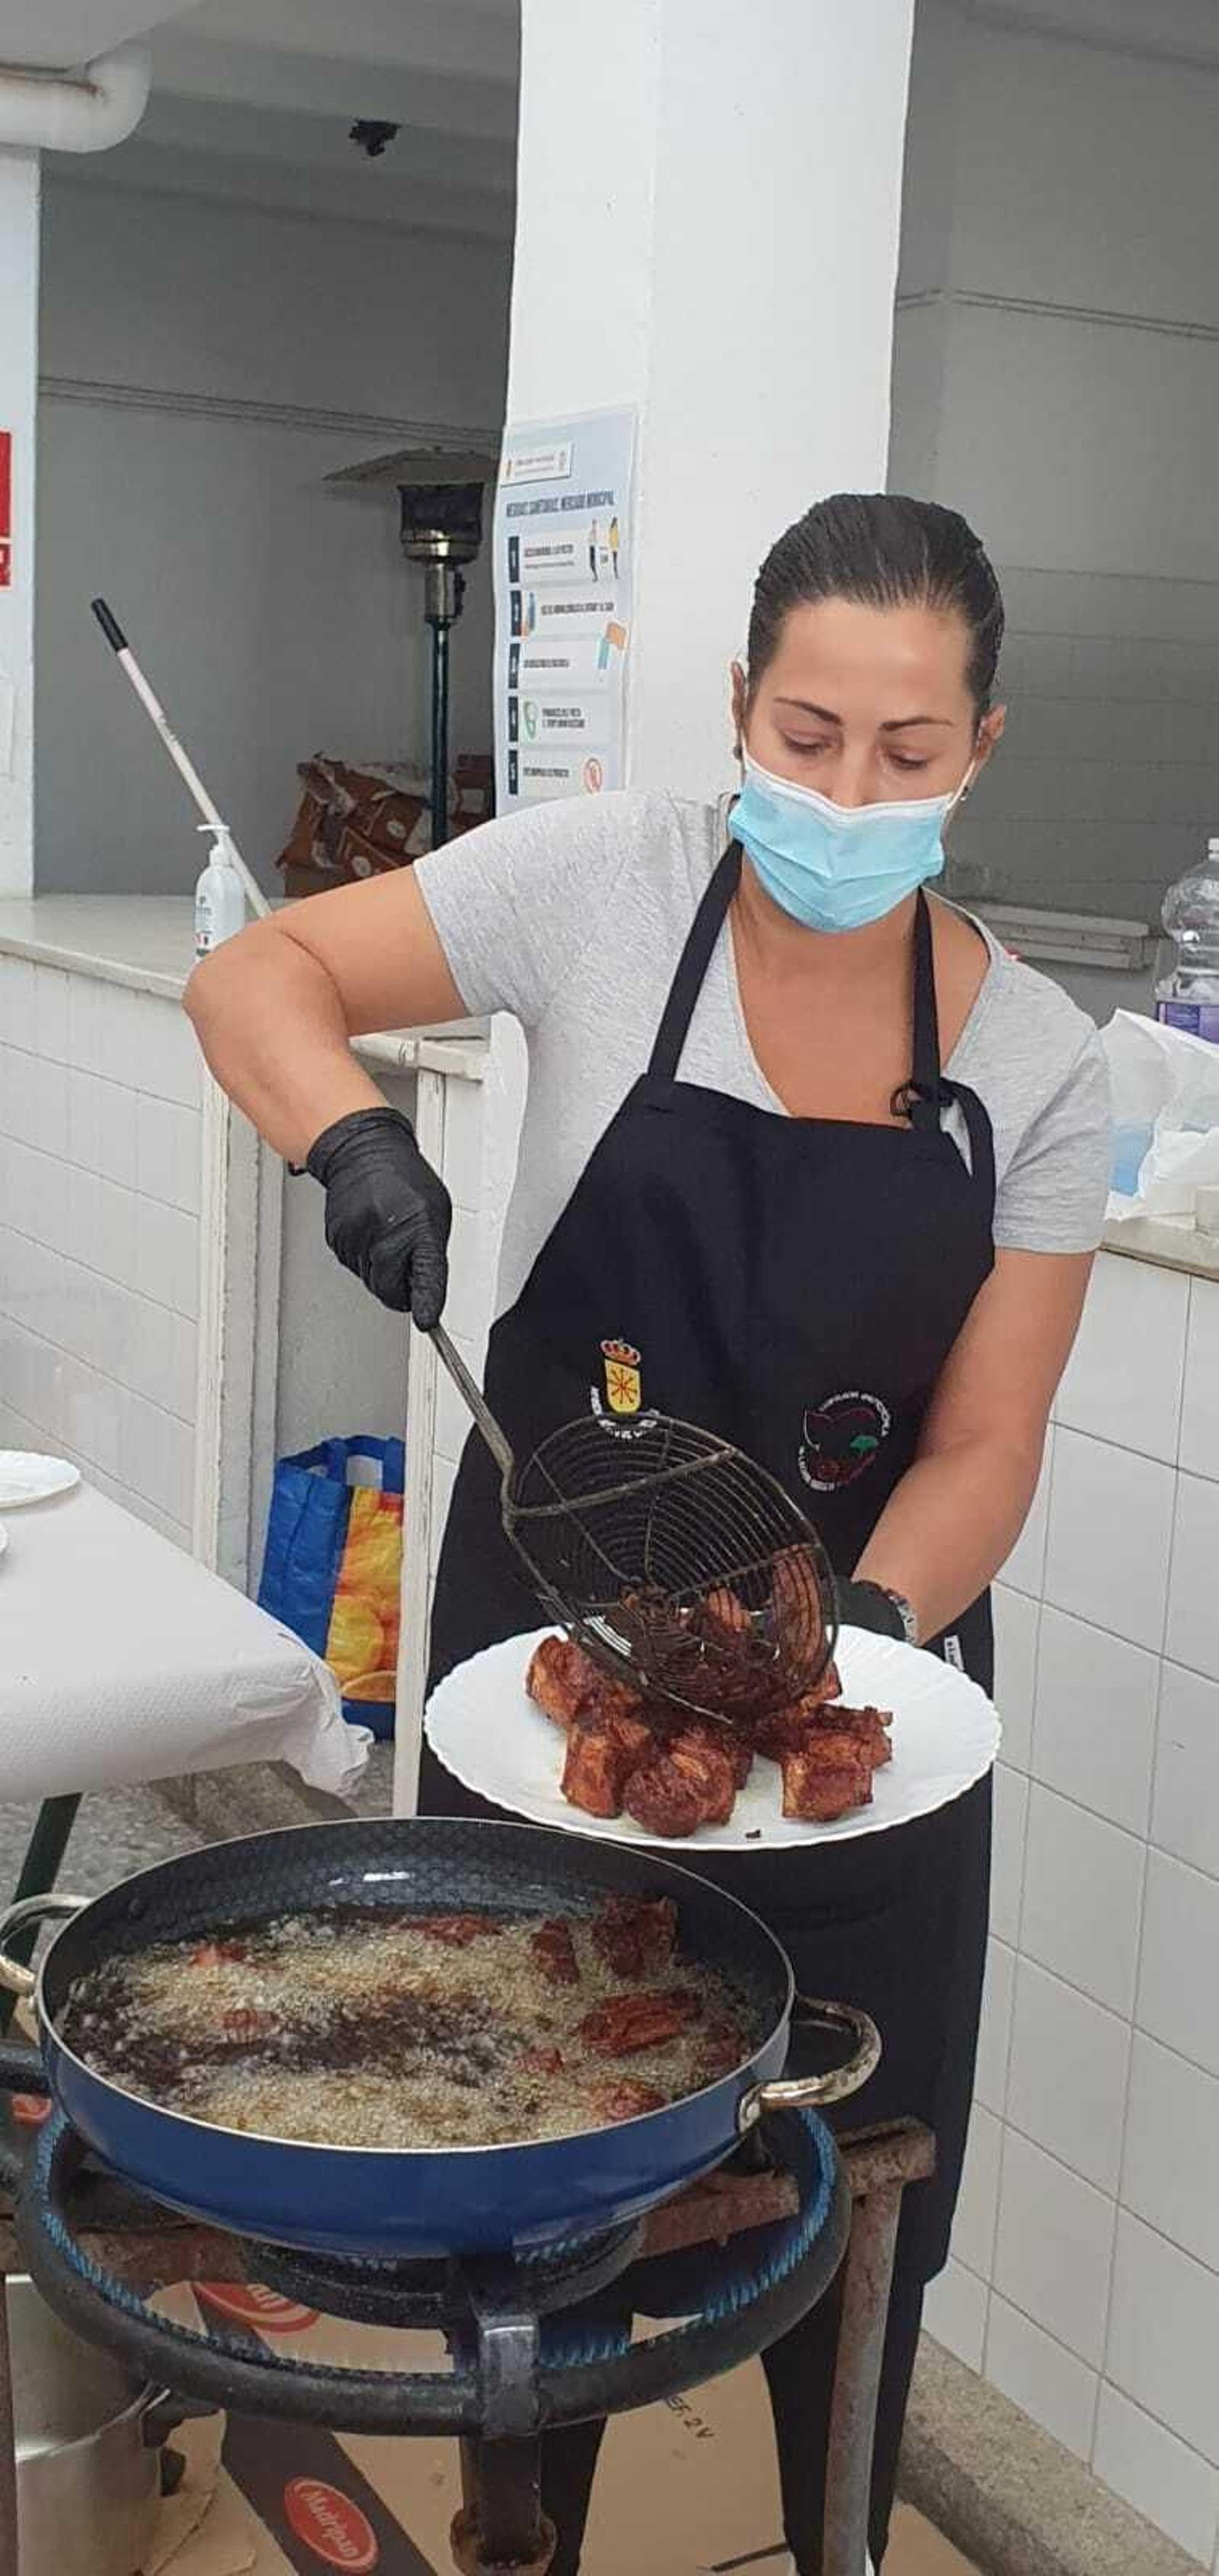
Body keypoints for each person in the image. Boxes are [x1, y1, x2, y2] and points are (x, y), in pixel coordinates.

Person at [186, 492, 1110, 2574]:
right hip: (551, 1677)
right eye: (806, 737)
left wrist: (833, 1667)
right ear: (738, 709)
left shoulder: (1039, 1068)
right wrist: (346, 1139)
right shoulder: (601, 883)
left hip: (866, 1712)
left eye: (906, 752)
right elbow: (261, 968)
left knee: (847, 2199)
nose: (850, 790)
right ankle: (535, 2526)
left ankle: (834, 2536)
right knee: (537, 2187)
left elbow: (987, 1441)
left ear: (980, 747)